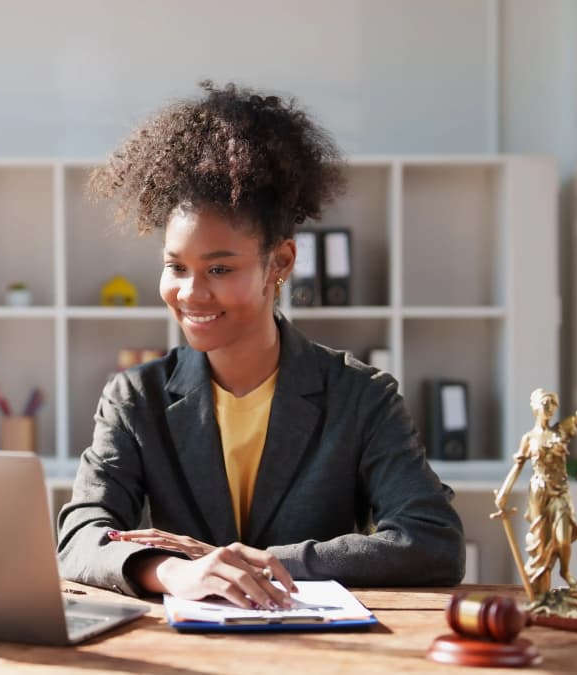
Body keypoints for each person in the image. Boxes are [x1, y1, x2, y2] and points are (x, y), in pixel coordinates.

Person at [56, 82, 464, 610]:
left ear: (281, 263)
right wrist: (178, 573)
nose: (191, 293)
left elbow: (433, 541)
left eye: (220, 269)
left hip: (316, 650)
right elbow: (80, 538)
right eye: (175, 267)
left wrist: (260, 562)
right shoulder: (136, 397)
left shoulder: (362, 397)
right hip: (184, 654)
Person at [493, 364, 577, 601]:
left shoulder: (561, 431)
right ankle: (540, 593)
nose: (548, 406)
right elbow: (517, 466)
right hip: (539, 492)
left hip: (560, 492)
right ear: (534, 406)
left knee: (563, 538)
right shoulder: (529, 438)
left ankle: (564, 572)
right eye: (544, 402)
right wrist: (504, 493)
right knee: (540, 543)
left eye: (552, 403)